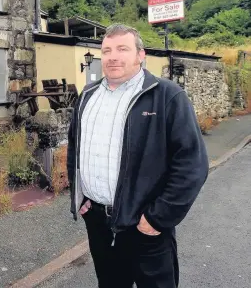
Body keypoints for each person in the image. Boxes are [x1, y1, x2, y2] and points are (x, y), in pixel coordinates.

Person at [67, 24, 208, 288]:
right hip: (98, 222)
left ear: (140, 55)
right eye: (106, 50)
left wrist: (158, 218)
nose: (113, 56)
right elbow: (76, 147)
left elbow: (192, 164)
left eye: (123, 49)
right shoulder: (87, 95)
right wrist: (79, 194)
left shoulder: (166, 96)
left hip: (144, 223)